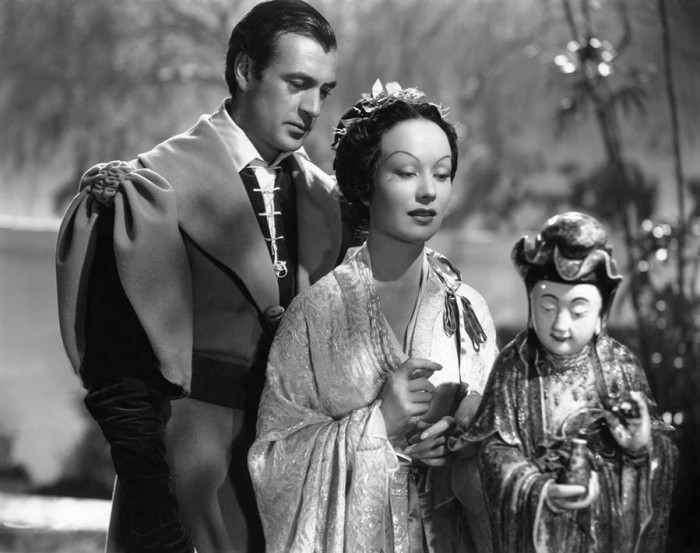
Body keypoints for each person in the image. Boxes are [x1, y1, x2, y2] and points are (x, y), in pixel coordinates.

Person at [54, 1, 341, 552]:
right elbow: (119, 384)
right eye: (297, 83)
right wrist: (156, 522)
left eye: (324, 91)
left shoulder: (329, 202)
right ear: (244, 70)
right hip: (184, 484)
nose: (311, 108)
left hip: (295, 487)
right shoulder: (148, 189)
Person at [248, 80, 499, 552]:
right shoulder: (317, 313)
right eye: (405, 172)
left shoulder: (469, 310)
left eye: (442, 174)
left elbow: (504, 433)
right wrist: (381, 423)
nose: (428, 191)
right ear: (364, 185)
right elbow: (275, 462)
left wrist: (465, 442)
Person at [451, 212, 678, 553]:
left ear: (601, 313)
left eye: (578, 310)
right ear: (531, 302)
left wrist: (639, 447)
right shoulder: (513, 368)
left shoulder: (619, 367)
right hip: (535, 534)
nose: (560, 324)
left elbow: (661, 453)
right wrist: (538, 489)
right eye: (548, 307)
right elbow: (495, 452)